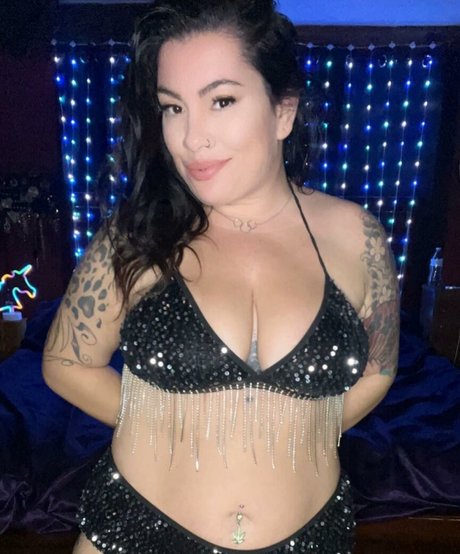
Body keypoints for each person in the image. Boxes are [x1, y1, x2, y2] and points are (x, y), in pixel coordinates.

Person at [42, 0, 400, 552]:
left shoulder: (358, 236)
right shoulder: (136, 235)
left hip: (311, 538)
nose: (191, 138)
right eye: (173, 107)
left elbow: (379, 370)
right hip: (137, 531)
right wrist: (180, 427)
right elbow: (67, 362)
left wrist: (294, 429)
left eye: (222, 101)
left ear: (283, 112)